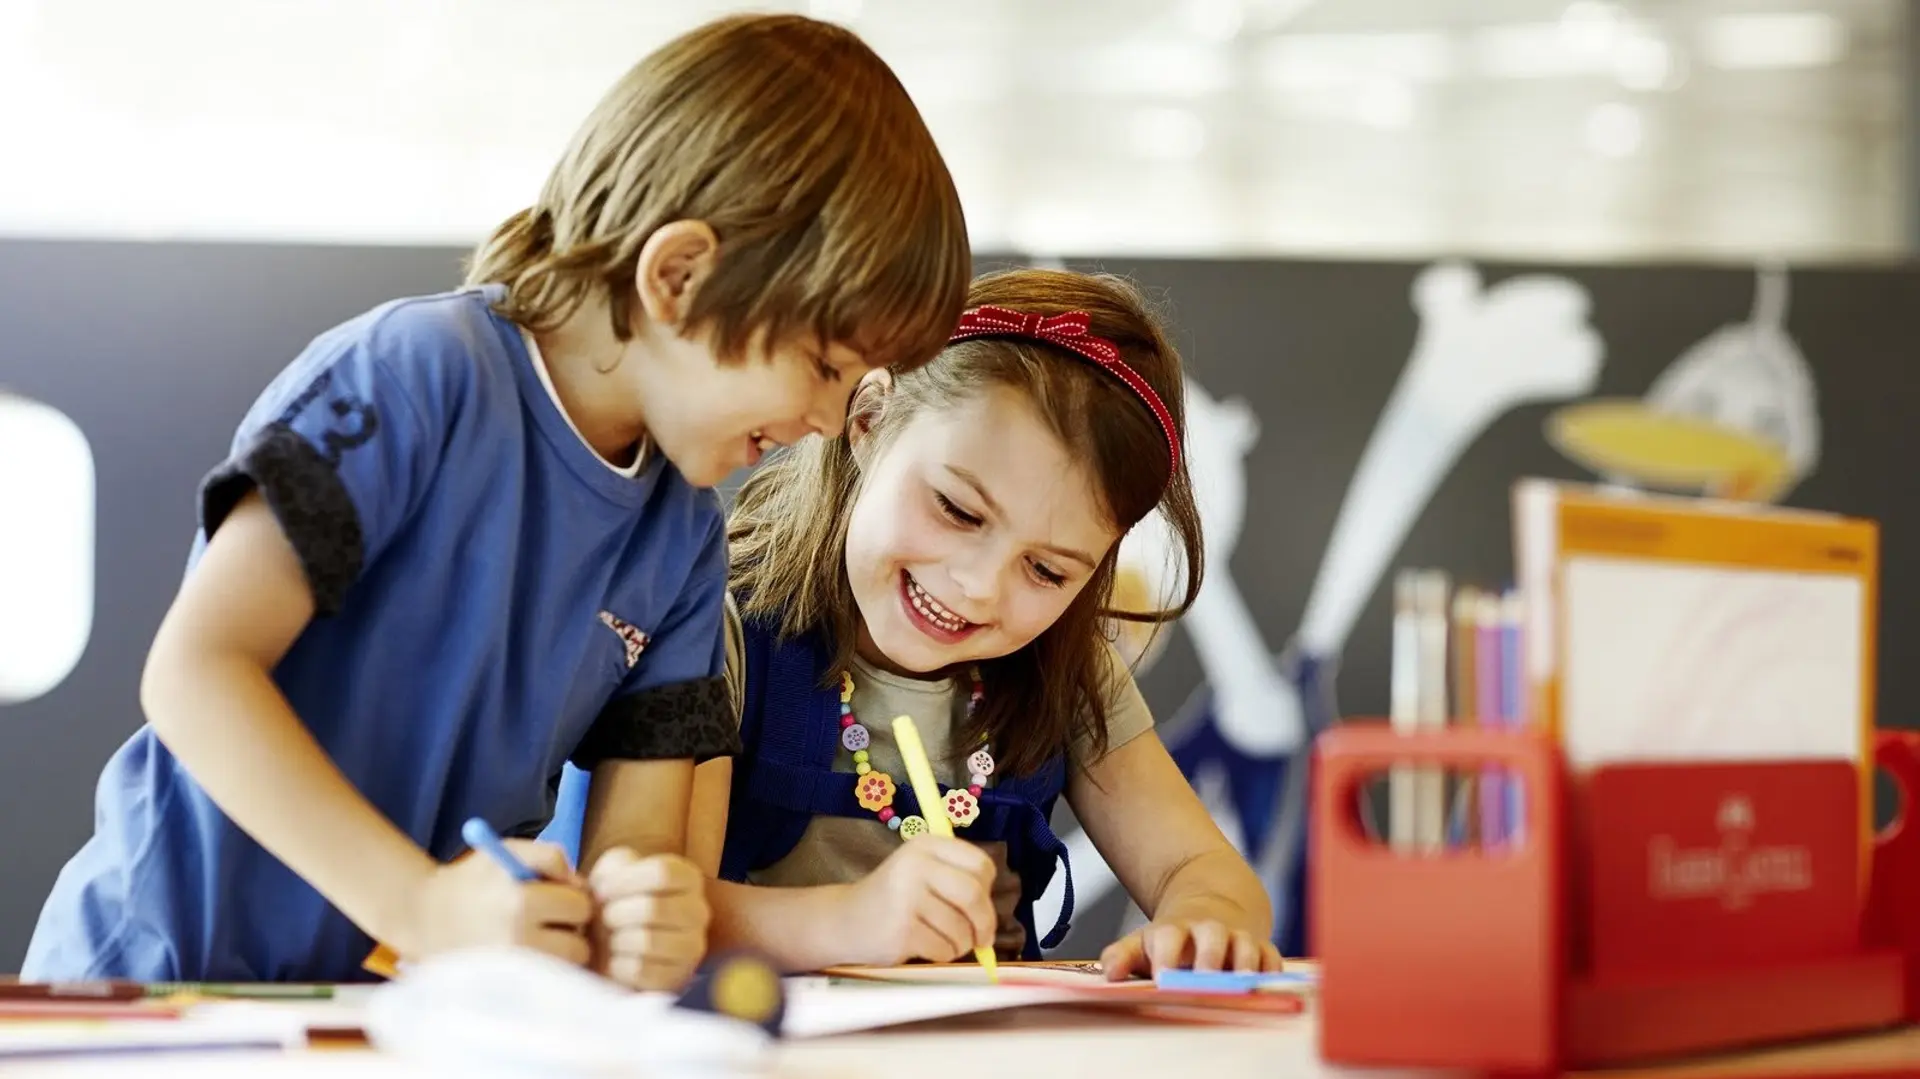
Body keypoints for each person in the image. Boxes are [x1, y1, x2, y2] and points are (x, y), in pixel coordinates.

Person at [23, 12, 969, 988]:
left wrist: (640, 917)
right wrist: (422, 906)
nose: (824, 419)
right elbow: (194, 671)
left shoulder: (685, 539)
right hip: (148, 980)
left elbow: (633, 859)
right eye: (821, 365)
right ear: (679, 276)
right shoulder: (412, 375)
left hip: (380, 1018)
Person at [700, 268, 1282, 976]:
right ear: (867, 420)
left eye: (1047, 571)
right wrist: (849, 922)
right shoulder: (717, 627)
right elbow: (651, 910)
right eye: (958, 509)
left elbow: (1203, 869)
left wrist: (1204, 924)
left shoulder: (1067, 669)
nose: (977, 588)